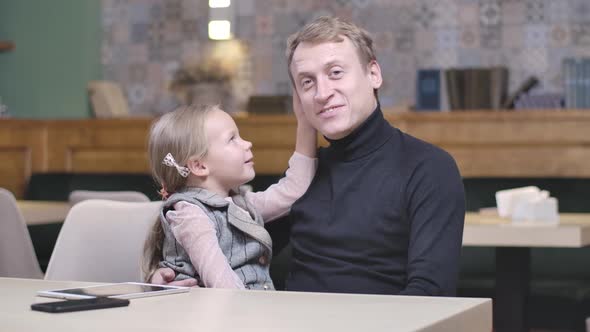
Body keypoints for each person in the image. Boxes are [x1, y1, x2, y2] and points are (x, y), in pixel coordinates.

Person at [151, 16, 465, 296]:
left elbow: (429, 293)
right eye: (307, 82)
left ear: (374, 74)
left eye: (336, 73)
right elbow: (225, 247)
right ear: (299, 99)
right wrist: (167, 276)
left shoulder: (428, 168)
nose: (322, 92)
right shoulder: (306, 177)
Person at [144, 103, 316, 290]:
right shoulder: (191, 215)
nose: (247, 143)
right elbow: (223, 284)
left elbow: (294, 190)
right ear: (199, 166)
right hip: (224, 313)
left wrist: (307, 123)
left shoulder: (241, 203)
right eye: (232, 139)